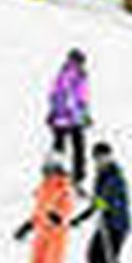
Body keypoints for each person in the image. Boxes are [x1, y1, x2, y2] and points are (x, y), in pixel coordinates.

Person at [14, 155, 83, 263]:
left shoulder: (63, 185)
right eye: (47, 168)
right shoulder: (43, 187)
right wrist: (28, 225)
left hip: (57, 233)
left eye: (52, 168)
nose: (48, 171)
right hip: (41, 232)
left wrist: (59, 215)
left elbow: (67, 205)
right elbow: (39, 210)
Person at [81, 141, 132, 263]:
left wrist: (100, 207)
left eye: (103, 157)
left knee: (109, 259)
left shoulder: (115, 176)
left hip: (117, 224)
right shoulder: (101, 175)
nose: (100, 161)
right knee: (94, 256)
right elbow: (99, 201)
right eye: (97, 158)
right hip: (106, 223)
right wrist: (84, 216)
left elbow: (108, 200)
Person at [46, 48, 91, 184]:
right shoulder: (72, 75)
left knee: (60, 145)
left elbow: (54, 95)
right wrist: (77, 114)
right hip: (70, 118)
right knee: (77, 146)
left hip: (64, 117)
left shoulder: (67, 74)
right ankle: (76, 176)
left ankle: (53, 174)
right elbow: (70, 97)